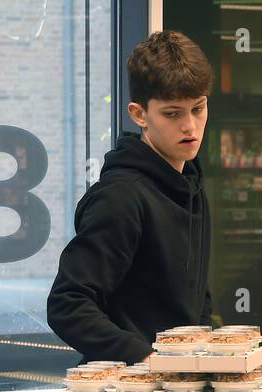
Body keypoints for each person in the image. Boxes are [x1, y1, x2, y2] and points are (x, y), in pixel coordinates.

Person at [48, 30, 214, 364]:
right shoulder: (121, 197)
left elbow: (195, 299)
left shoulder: (191, 182)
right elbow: (68, 305)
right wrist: (149, 360)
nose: (190, 126)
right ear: (139, 114)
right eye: (172, 113)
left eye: (198, 108)